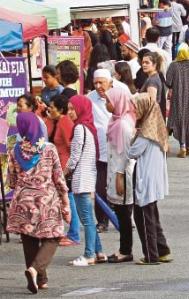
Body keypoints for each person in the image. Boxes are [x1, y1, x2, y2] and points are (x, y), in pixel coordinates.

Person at [7, 112, 70, 293]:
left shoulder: (15, 150)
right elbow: (58, 177)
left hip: (22, 201)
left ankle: (40, 280)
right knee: (54, 236)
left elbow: (11, 181)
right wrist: (65, 201)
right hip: (46, 200)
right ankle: (36, 270)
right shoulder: (48, 148)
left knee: (29, 238)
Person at [127, 94, 172, 265]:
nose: (134, 111)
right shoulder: (156, 128)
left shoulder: (145, 133)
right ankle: (162, 250)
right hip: (154, 178)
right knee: (152, 216)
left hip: (145, 178)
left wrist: (132, 137)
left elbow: (132, 152)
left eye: (137, 107)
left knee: (144, 218)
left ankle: (151, 255)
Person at [65, 96, 106, 266]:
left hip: (81, 177)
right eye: (68, 108)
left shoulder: (79, 128)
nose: (70, 112)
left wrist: (63, 171)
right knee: (88, 217)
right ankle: (99, 251)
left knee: (86, 218)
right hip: (88, 175)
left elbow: (74, 157)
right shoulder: (88, 127)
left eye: (73, 109)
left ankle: (89, 255)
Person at [104, 87, 137, 264]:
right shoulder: (115, 120)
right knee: (120, 212)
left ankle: (126, 250)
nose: (107, 104)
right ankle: (123, 248)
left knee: (124, 214)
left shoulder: (123, 124)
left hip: (122, 173)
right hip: (115, 171)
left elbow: (126, 153)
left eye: (109, 101)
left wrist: (119, 176)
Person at [46, 95, 80, 247]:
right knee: (67, 198)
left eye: (52, 107)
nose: (49, 110)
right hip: (61, 165)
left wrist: (68, 168)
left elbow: (71, 145)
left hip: (65, 165)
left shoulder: (65, 122)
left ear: (60, 110)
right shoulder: (59, 121)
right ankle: (71, 232)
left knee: (69, 198)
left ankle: (74, 233)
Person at [85, 69, 114, 232]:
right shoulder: (89, 99)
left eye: (101, 83)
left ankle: (124, 218)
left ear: (110, 83)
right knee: (101, 187)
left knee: (120, 187)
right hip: (99, 151)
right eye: (95, 83)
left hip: (118, 150)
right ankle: (102, 221)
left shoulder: (121, 93)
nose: (98, 86)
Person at [166, 43, 189, 157]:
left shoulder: (173, 66)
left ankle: (182, 147)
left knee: (180, 120)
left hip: (178, 97)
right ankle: (188, 146)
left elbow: (168, 82)